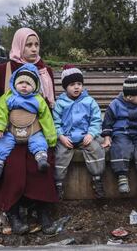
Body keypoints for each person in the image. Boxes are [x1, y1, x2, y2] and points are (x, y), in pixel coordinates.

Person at [0, 28, 57, 235]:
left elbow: (48, 107)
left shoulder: (44, 71)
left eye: (36, 45)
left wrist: (51, 134)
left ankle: (43, 211)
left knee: (41, 162)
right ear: (19, 46)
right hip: (8, 131)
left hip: (35, 130)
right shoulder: (4, 69)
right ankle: (13, 212)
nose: (33, 49)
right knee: (11, 163)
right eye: (28, 45)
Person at [0, 64, 57, 180]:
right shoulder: (8, 97)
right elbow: (0, 112)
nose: (24, 86)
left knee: (39, 141)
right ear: (15, 83)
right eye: (21, 83)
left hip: (33, 130)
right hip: (12, 130)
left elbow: (46, 118)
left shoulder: (38, 100)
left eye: (29, 84)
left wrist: (51, 138)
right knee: (3, 142)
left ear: (35, 86)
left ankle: (41, 159)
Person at [53, 65, 105, 199]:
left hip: (84, 136)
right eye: (72, 84)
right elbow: (55, 121)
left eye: (79, 84)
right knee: (60, 153)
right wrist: (61, 136)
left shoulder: (89, 101)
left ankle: (97, 179)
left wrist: (91, 134)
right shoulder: (60, 103)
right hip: (67, 137)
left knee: (95, 148)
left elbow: (96, 119)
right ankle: (58, 184)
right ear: (65, 87)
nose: (76, 87)